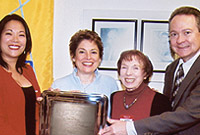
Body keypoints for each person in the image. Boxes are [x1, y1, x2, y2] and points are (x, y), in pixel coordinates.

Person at [99, 6, 200, 135]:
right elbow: (168, 112)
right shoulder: (172, 69)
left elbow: (187, 114)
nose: (180, 40)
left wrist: (129, 127)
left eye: (187, 32)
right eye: (174, 34)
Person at [51, 29, 119, 114]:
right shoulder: (59, 85)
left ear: (100, 58)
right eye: (82, 52)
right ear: (73, 56)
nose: (88, 57)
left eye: (93, 52)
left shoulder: (110, 84)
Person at [0, 14, 41, 135]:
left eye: (21, 35)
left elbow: (34, 108)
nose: (15, 39)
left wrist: (53, 98)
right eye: (9, 33)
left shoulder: (28, 70)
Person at [110, 50, 171, 121]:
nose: (128, 73)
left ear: (145, 74)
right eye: (124, 67)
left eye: (135, 68)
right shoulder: (114, 97)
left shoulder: (160, 101)